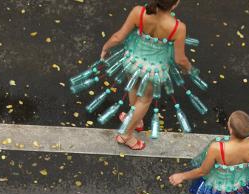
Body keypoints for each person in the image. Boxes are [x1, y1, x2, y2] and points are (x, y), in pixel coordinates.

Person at [70, 1, 209, 150]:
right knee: (144, 100)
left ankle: (135, 121)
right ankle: (126, 135)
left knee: (134, 89)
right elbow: (179, 59)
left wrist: (106, 47)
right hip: (154, 71)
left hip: (132, 62)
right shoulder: (178, 27)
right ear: (175, 4)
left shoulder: (139, 12)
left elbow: (118, 37)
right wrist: (189, 69)